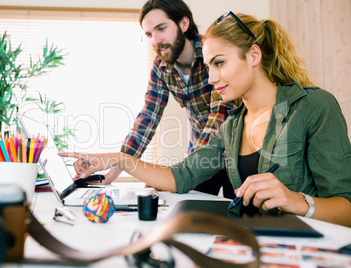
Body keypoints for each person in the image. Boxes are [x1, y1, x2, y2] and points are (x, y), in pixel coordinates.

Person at [60, 12, 351, 227]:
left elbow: (346, 209)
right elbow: (180, 176)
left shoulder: (313, 106)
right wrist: (116, 158)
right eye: (209, 66)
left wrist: (296, 201)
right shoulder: (231, 127)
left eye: (220, 63)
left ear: (253, 55)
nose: (211, 78)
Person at [102, 0, 240, 197]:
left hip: (233, 153)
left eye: (161, 29)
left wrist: (176, 176)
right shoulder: (160, 68)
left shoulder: (212, 54)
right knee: (191, 213)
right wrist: (116, 169)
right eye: (149, 34)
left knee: (236, 219)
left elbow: (218, 118)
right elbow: (148, 116)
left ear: (183, 24)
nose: (155, 40)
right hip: (199, 154)